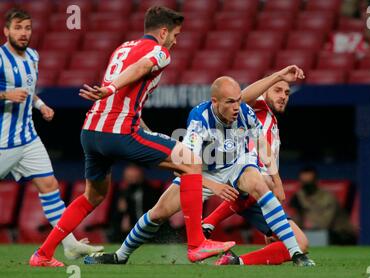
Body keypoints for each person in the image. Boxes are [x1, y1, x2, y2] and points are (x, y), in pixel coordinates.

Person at [29, 6, 235, 267]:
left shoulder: (122, 48)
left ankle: (43, 254)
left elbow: (129, 99)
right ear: (163, 32)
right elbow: (142, 66)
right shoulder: (160, 52)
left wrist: (115, 96)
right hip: (119, 132)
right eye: (176, 34)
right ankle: (196, 244)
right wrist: (111, 88)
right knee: (191, 160)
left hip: (91, 132)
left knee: (92, 196)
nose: (176, 40)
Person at [84, 69, 314, 267]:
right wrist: (214, 185)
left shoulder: (246, 112)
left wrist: (276, 178)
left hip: (237, 165)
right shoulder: (199, 119)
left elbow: (261, 143)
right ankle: (120, 256)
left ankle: (296, 253)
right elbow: (182, 166)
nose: (237, 107)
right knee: (158, 213)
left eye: (238, 100)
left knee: (259, 184)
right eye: (230, 102)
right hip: (203, 171)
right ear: (215, 102)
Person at [0, 8, 102, 259]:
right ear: (6, 31)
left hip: (29, 138)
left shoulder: (33, 56)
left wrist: (40, 105)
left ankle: (69, 243)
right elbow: (13, 92)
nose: (23, 33)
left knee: (49, 185)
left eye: (27, 28)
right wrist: (5, 95)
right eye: (18, 28)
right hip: (4, 141)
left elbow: (28, 90)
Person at [201, 72, 314, 266]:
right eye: (277, 90)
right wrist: (277, 75)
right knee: (298, 241)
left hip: (251, 194)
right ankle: (208, 224)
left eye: (287, 93)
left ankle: (233, 261)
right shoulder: (255, 108)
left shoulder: (272, 121)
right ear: (264, 91)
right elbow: (242, 97)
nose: (283, 96)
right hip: (246, 183)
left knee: (299, 243)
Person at [289, 166, 357, 245]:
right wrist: (298, 211)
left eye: (309, 182)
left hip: (341, 235)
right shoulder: (299, 196)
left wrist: (304, 205)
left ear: (316, 181)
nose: (306, 186)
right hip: (319, 235)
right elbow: (295, 225)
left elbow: (324, 223)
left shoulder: (328, 197)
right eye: (304, 182)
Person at [109, 164, 162, 242]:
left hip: (149, 230)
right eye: (130, 178)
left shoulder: (152, 192)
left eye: (136, 178)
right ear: (125, 178)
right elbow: (113, 216)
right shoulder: (120, 193)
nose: (133, 181)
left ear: (142, 177)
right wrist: (122, 213)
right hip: (125, 232)